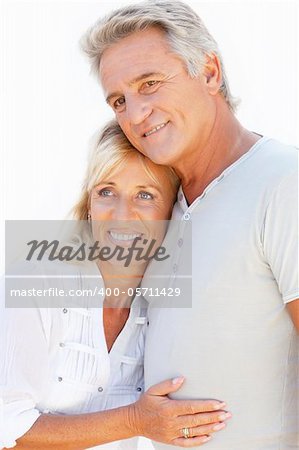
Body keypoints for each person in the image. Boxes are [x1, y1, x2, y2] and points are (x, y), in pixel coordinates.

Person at [81, 1, 299, 448]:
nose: (136, 114)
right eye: (119, 100)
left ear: (210, 72)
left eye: (150, 84)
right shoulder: (160, 208)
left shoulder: (283, 183)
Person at [0, 121, 231, 450]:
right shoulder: (35, 283)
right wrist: (135, 420)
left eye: (145, 195)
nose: (122, 214)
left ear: (172, 213)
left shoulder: (165, 309)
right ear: (90, 206)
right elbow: (6, 426)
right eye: (106, 191)